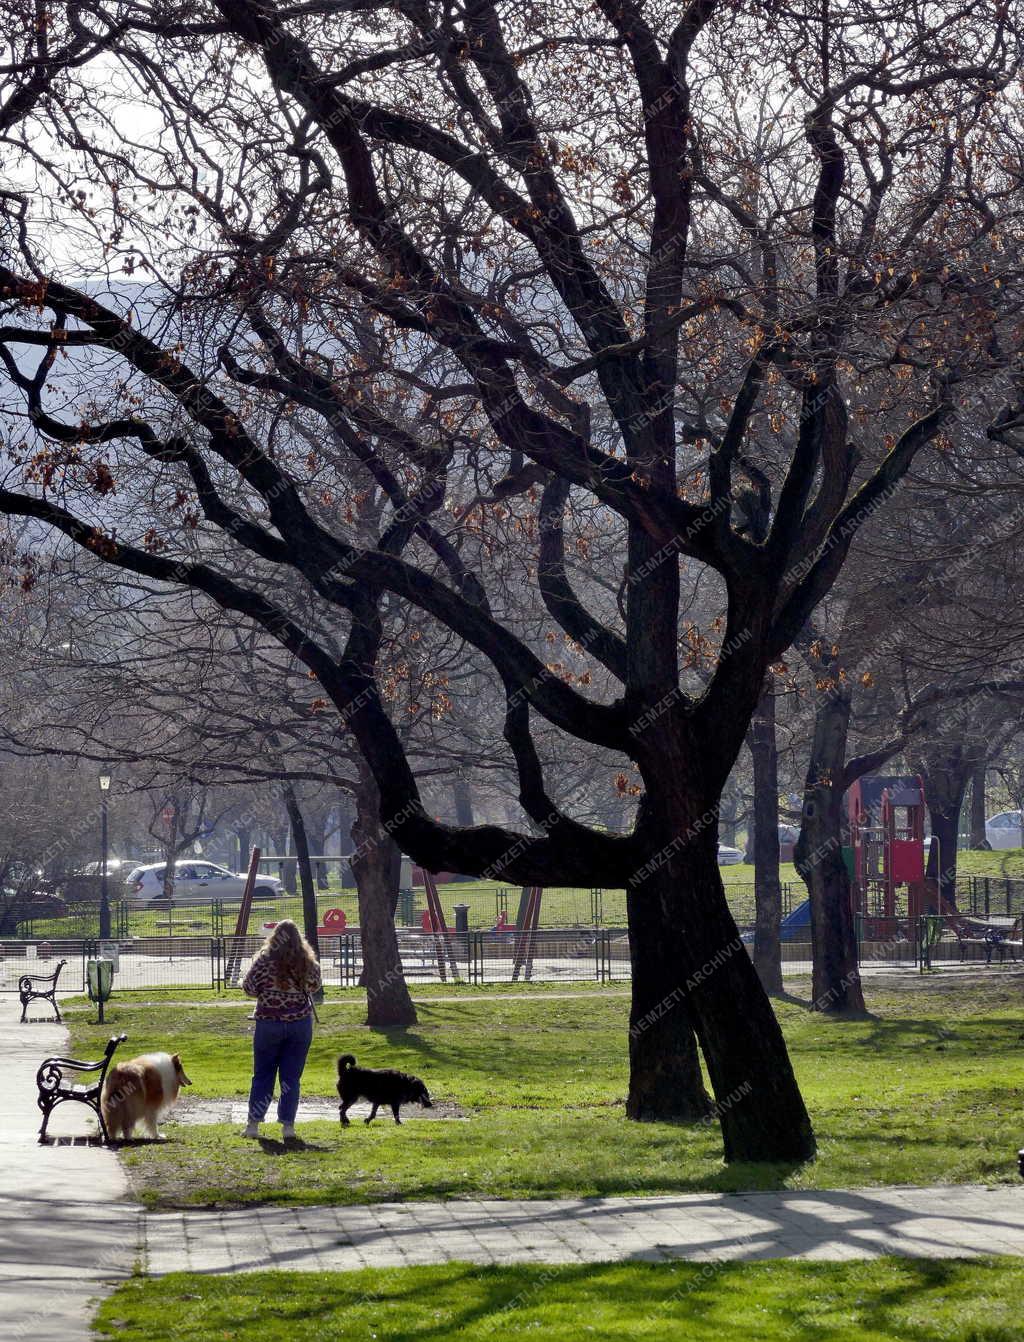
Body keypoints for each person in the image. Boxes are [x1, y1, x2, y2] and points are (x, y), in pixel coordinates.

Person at [241, 920, 322, 1141]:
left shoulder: (264, 961)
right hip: (299, 1024)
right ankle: (288, 1126)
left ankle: (253, 1125)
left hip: (269, 1023)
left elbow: (248, 987)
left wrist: (267, 992)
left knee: (263, 1075)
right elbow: (315, 985)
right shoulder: (307, 962)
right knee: (291, 1078)